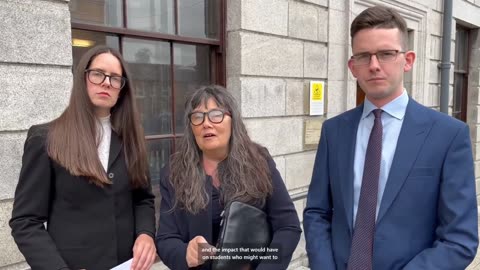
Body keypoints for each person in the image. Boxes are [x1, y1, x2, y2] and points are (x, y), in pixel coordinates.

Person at [304, 5, 478, 270]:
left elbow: (459, 238)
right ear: (352, 66)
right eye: (363, 56)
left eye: (386, 54)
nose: (374, 66)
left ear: (407, 60)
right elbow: (317, 212)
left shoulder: (448, 135)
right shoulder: (334, 131)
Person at [9, 45, 157, 270]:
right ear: (83, 78)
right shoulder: (46, 139)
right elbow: (25, 221)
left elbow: (142, 198)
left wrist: (145, 234)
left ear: (121, 90)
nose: (107, 82)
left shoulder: (131, 139)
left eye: (115, 78)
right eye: (98, 74)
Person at [155, 85, 302, 270]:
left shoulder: (259, 161)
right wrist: (185, 253)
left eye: (216, 115)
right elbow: (166, 239)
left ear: (233, 121)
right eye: (198, 117)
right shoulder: (173, 173)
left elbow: (288, 227)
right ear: (191, 128)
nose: (206, 123)